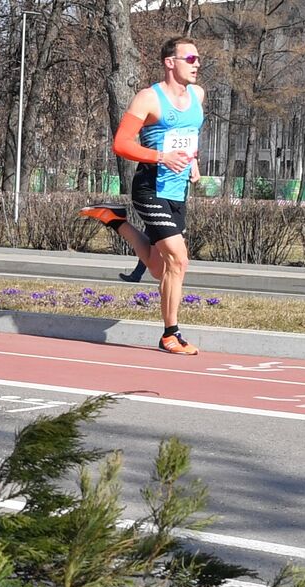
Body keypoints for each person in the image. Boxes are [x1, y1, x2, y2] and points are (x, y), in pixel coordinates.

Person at [81, 35, 205, 355]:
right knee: (179, 260)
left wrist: (192, 161)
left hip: (178, 190)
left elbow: (187, 137)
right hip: (150, 187)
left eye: (198, 59)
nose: (197, 64)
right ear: (170, 63)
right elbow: (121, 144)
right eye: (189, 59)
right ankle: (170, 334)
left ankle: (115, 219)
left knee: (159, 268)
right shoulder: (148, 98)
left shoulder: (198, 96)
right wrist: (161, 157)